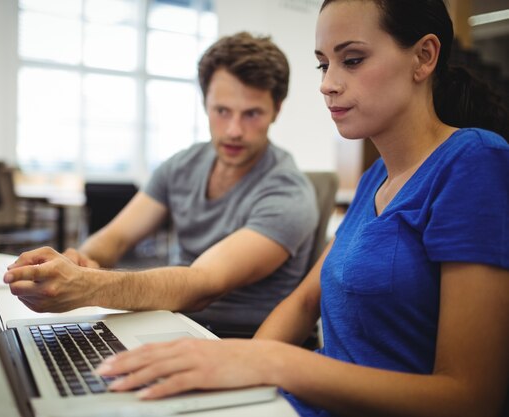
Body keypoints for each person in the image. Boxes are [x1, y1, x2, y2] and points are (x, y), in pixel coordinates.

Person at [93, 1, 509, 416]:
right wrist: (231, 376)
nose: (328, 84)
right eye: (323, 65)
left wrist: (269, 362)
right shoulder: (377, 179)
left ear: (424, 56)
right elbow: (304, 302)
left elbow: (472, 399)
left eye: (352, 60)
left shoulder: (473, 160)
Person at [4, 32, 319, 335]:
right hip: (170, 321)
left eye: (251, 114)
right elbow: (114, 238)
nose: (234, 130)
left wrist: (87, 285)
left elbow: (203, 284)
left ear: (276, 110)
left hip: (231, 339)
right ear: (205, 103)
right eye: (222, 111)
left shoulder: (288, 193)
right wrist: (82, 261)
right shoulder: (183, 165)